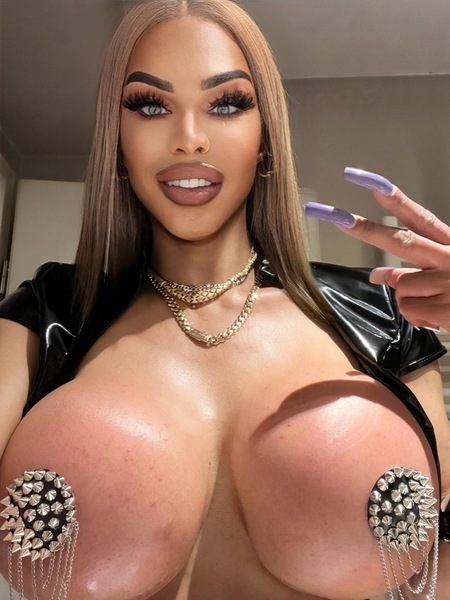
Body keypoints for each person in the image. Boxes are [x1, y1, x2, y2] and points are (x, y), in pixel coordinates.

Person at [0, 1, 448, 598]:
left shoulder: (382, 311)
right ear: (117, 140)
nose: (189, 140)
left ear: (265, 139)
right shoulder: (46, 316)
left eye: (228, 103)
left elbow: (436, 571)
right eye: (150, 105)